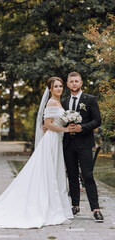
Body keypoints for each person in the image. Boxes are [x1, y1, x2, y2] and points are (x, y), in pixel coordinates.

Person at [0, 77, 73, 229]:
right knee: (48, 172)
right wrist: (65, 129)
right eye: (55, 86)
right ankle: (49, 206)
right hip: (51, 141)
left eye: (60, 86)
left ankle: (58, 206)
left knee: (54, 172)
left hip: (57, 141)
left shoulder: (59, 103)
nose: (59, 88)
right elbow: (48, 124)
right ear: (50, 89)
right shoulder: (51, 102)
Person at [62, 71, 104, 222]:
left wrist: (83, 127)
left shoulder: (90, 99)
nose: (74, 83)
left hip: (85, 143)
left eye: (76, 81)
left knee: (87, 176)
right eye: (71, 81)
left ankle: (96, 209)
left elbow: (97, 120)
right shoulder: (64, 102)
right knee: (72, 175)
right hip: (68, 144)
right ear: (68, 84)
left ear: (81, 83)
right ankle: (75, 205)